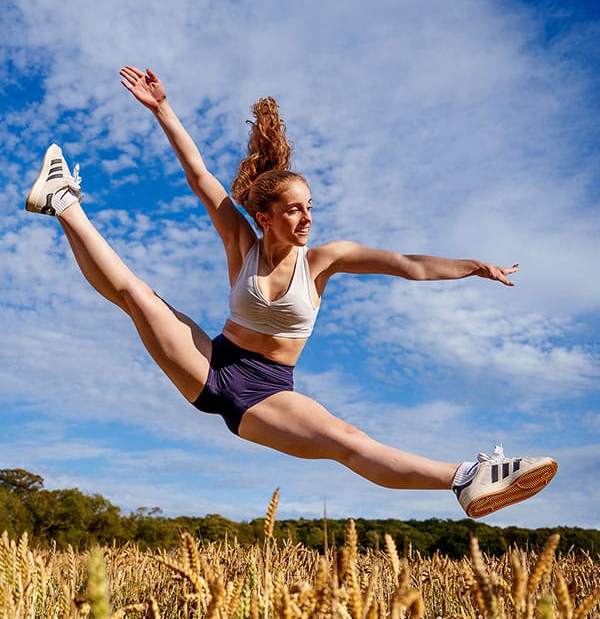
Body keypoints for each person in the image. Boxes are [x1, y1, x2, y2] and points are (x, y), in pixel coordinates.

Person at [25, 65, 557, 519]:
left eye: (309, 207)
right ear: (266, 216)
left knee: (348, 441)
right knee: (136, 294)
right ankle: (62, 201)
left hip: (268, 393)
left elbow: (407, 265)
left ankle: (468, 477)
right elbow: (198, 173)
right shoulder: (240, 240)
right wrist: (162, 108)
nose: (306, 218)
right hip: (211, 360)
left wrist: (471, 266)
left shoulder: (325, 260)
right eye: (294, 209)